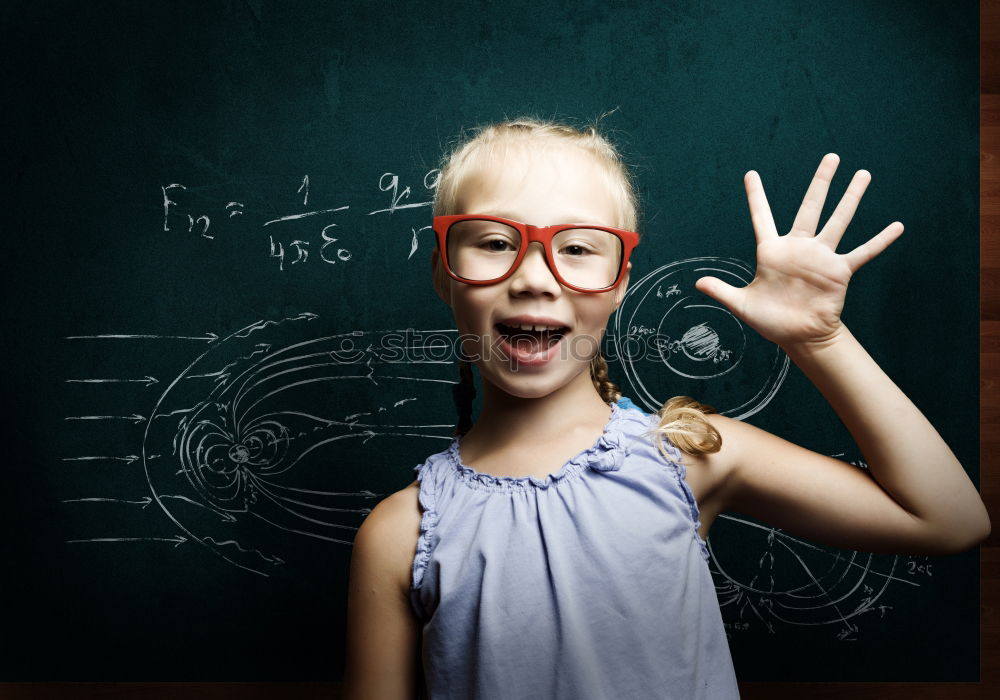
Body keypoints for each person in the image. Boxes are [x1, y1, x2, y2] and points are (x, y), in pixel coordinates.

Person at [341, 116, 991, 700]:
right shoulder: (399, 535)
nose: (535, 276)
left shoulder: (684, 452)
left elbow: (949, 520)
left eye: (577, 248)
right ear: (442, 273)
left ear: (620, 282)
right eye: (491, 242)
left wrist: (818, 339)